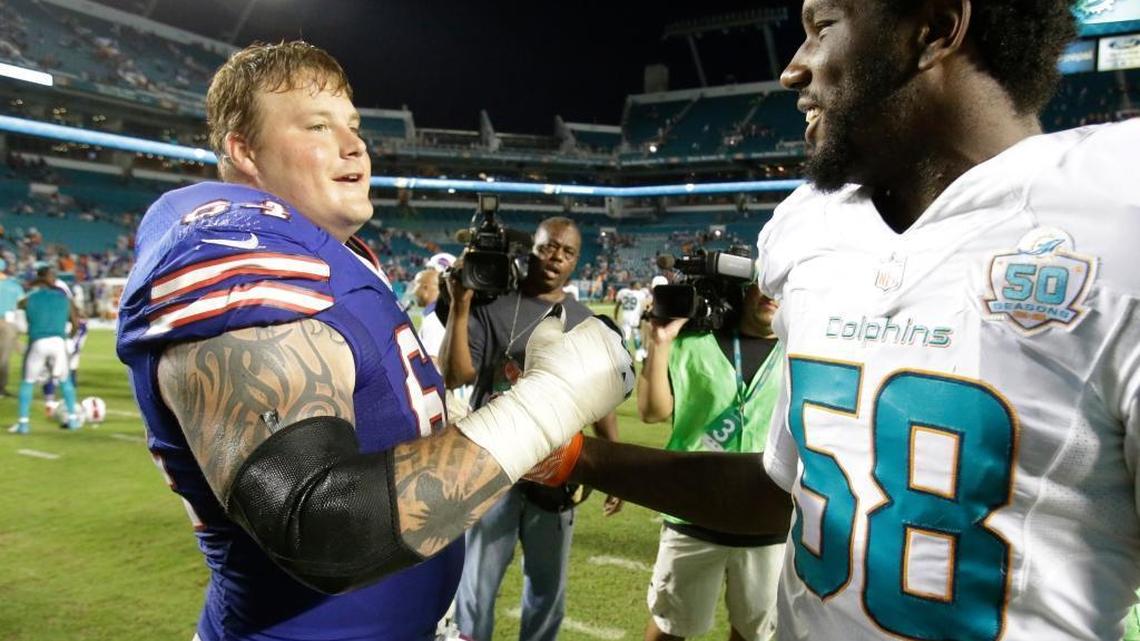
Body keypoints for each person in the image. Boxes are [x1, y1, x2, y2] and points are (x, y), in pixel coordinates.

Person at [526, 2, 1140, 640]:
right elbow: (781, 493)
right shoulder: (810, 229)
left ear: (933, 29)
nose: (793, 69)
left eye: (823, 27)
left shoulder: (1116, 221)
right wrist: (573, 456)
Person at [115, 41, 632, 641]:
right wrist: (552, 402)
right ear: (243, 150)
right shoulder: (236, 253)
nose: (355, 144)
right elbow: (320, 524)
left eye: (353, 126)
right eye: (317, 125)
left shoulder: (327, 256)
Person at [440, 216, 623, 641]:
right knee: (476, 591)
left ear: (577, 260)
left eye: (567, 251)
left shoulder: (585, 321)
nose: (556, 256)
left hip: (556, 473)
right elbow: (454, 376)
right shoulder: (493, 305)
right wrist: (462, 305)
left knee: (547, 590)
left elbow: (600, 400)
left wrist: (612, 468)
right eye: (548, 247)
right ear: (532, 249)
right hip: (493, 467)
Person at [638, 283, 784, 641]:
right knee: (669, 627)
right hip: (693, 511)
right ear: (746, 290)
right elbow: (652, 411)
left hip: (766, 519)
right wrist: (660, 343)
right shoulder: (693, 343)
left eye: (779, 286)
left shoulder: (799, 352)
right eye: (762, 284)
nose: (770, 294)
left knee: (753, 633)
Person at [8, 265, 80, 434]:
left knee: (28, 381)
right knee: (65, 380)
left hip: (37, 342)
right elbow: (76, 324)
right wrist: (67, 337)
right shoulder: (65, 299)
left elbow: (20, 323)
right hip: (58, 341)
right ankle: (73, 419)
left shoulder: (27, 299)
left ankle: (23, 423)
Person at [0, 258, 25, 396]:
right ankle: (1, 389)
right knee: (3, 358)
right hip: (8, 323)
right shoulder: (14, 286)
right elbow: (21, 305)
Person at [614, 280, 649, 361]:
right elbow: (645, 305)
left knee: (625, 337)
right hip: (635, 318)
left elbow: (617, 305)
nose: (639, 286)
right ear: (634, 286)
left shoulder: (623, 292)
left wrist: (615, 316)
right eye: (638, 285)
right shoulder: (640, 294)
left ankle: (623, 354)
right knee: (636, 335)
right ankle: (638, 355)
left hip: (626, 317)